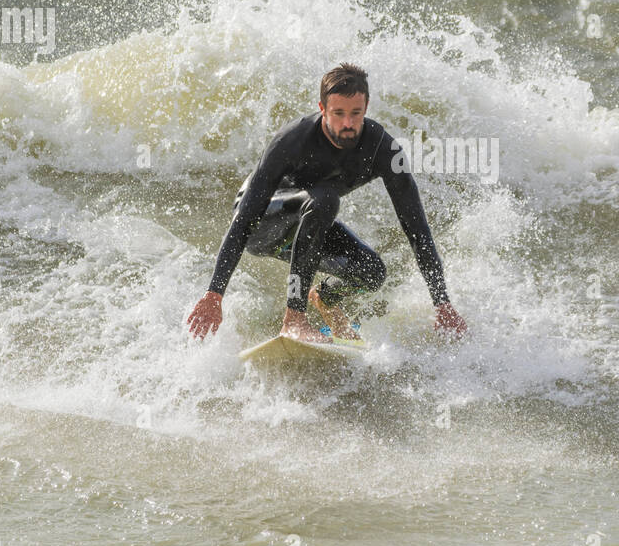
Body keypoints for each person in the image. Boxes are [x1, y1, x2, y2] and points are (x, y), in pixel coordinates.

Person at [186, 63, 468, 343]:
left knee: (371, 272)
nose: (348, 124)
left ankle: (324, 298)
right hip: (264, 222)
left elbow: (417, 228)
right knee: (324, 200)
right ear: (322, 108)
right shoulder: (292, 141)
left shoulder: (383, 150)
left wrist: (441, 303)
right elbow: (243, 220)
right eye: (338, 114)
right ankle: (294, 319)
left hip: (309, 222)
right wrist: (215, 294)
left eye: (356, 113)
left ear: (366, 107)